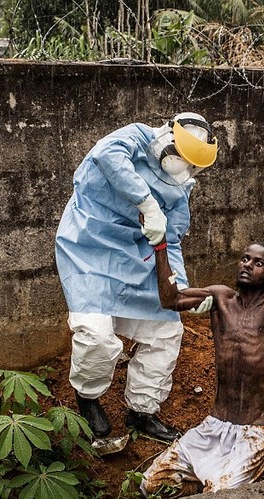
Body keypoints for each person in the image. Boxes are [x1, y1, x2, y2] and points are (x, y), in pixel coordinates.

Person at [139, 184, 264, 495]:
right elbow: (170, 298)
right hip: (213, 426)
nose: (247, 264)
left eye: (258, 262)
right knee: (151, 484)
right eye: (245, 258)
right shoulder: (221, 298)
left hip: (253, 431)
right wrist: (159, 245)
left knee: (220, 497)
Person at [55, 113, 219, 443]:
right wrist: (147, 203)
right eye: (180, 156)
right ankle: (88, 400)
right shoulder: (135, 138)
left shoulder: (180, 186)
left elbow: (170, 239)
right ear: (168, 140)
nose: (181, 165)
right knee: (96, 336)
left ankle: (142, 411)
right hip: (89, 247)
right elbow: (106, 156)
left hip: (136, 256)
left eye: (190, 163)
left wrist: (180, 286)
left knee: (166, 332)